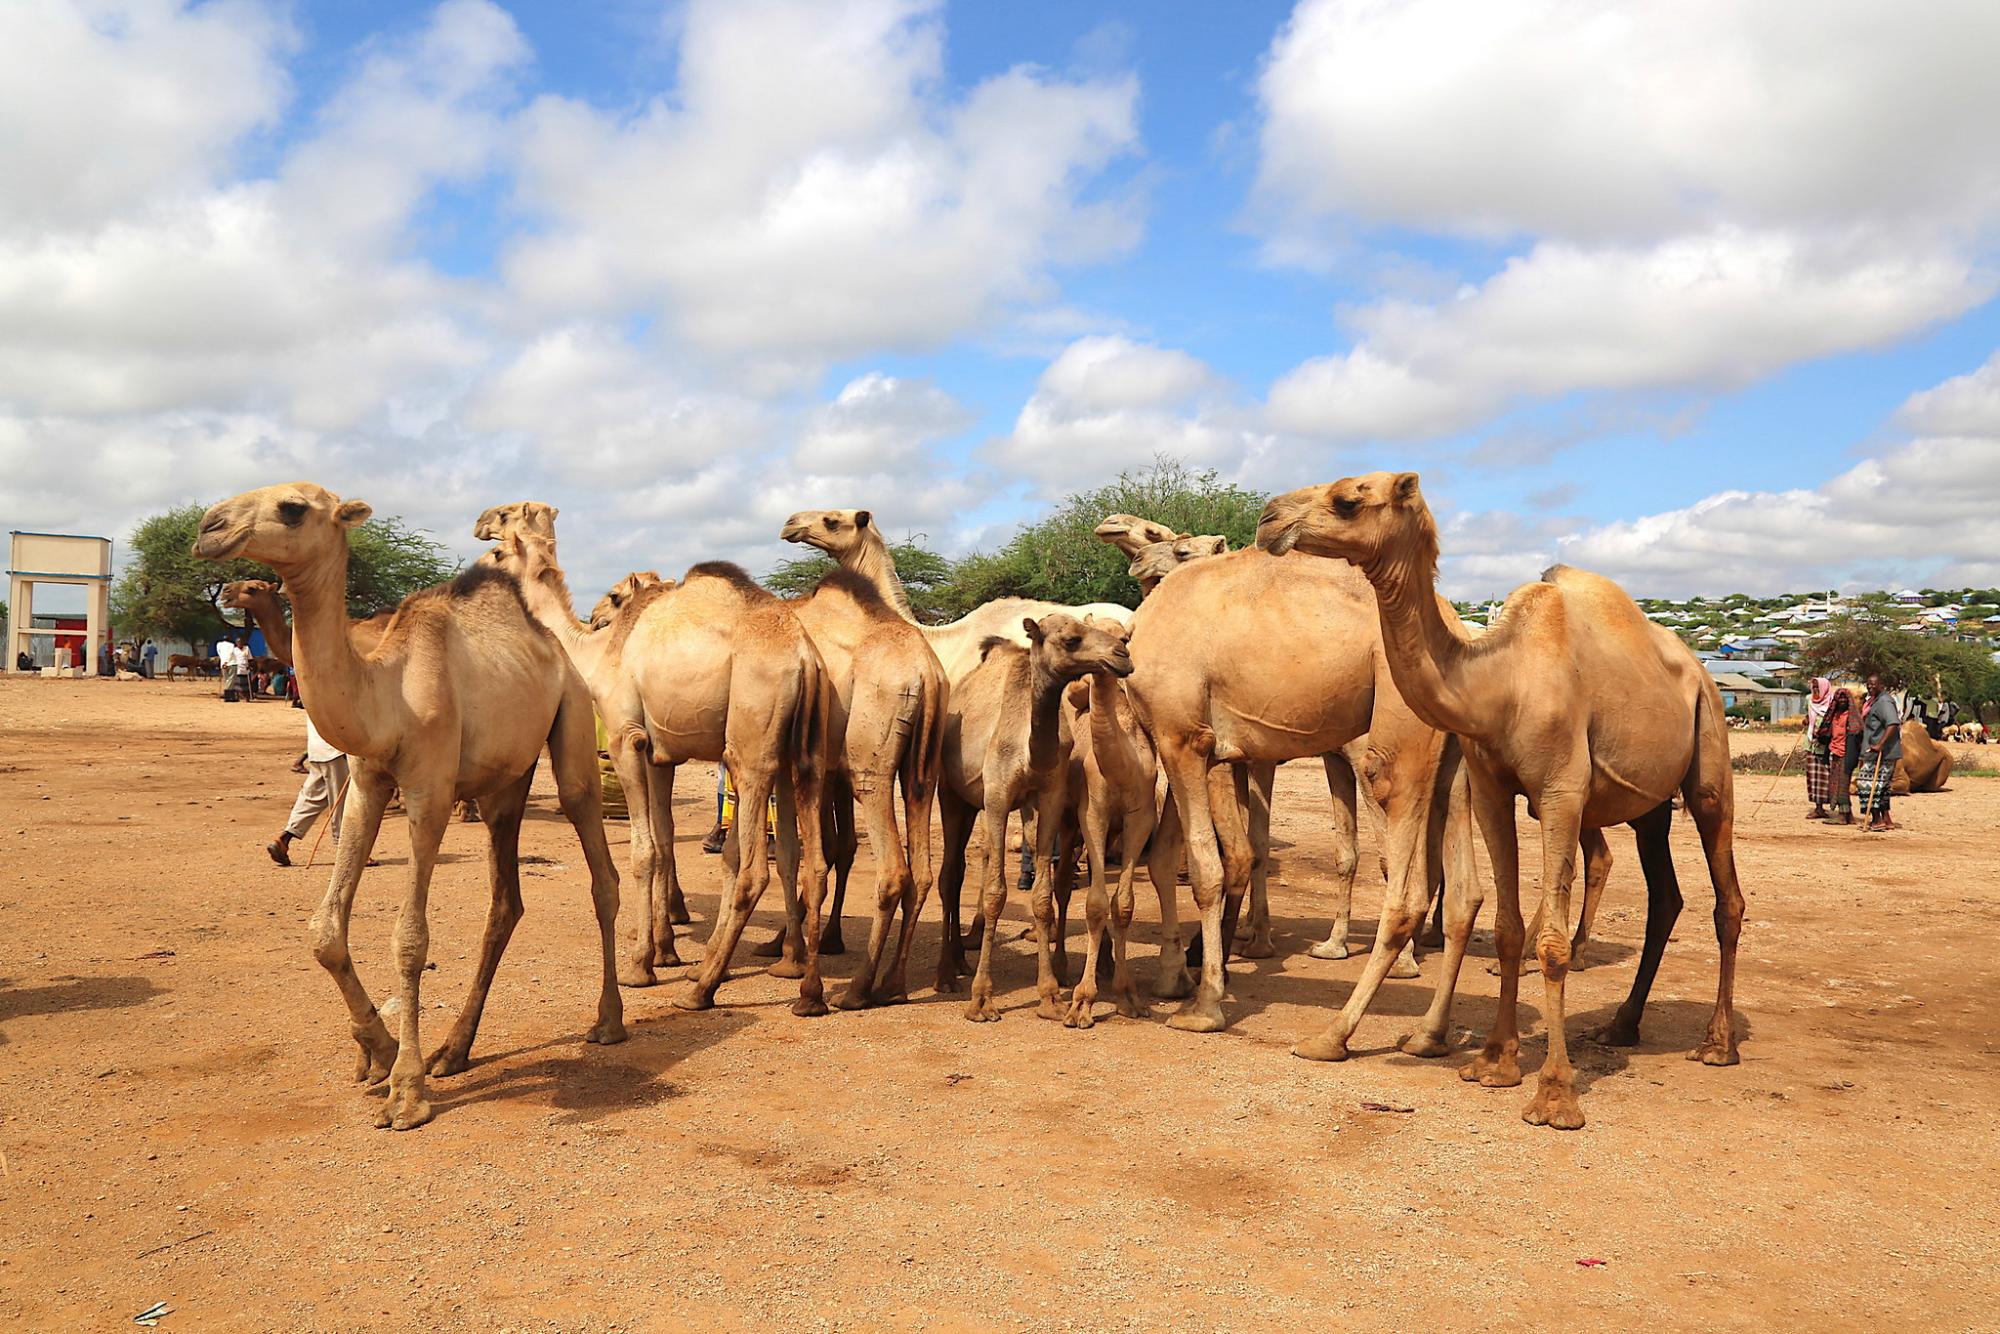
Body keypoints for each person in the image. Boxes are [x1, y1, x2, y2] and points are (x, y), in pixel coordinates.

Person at [268, 711, 350, 866]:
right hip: (335, 751)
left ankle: (284, 839)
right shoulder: (336, 689)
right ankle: (349, 851)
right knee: (343, 801)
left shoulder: (315, 688)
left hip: (317, 748)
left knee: (311, 799)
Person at [1857, 673, 1903, 832]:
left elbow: (1893, 723)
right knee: (1882, 787)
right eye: (1868, 684)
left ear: (1882, 684)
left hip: (1882, 752)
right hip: (1876, 751)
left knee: (1867, 785)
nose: (1870, 687)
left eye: (1873, 684)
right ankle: (1886, 820)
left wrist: (1880, 744)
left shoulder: (1884, 701)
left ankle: (1877, 820)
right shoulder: (1874, 701)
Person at [1822, 687, 1856, 825]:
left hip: (1846, 755)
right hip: (1834, 753)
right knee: (1837, 785)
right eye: (1839, 698)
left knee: (1842, 785)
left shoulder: (1851, 717)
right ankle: (1849, 815)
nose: (1842, 700)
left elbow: (1856, 735)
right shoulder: (1833, 716)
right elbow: (1826, 734)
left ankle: (1843, 816)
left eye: (1844, 698)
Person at [1803, 676, 1833, 820]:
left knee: (1825, 776)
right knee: (1812, 776)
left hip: (1825, 746)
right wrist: (1807, 720)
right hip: (1811, 744)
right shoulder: (1809, 700)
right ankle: (1818, 808)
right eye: (1813, 687)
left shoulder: (1832, 702)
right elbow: (1808, 715)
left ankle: (1827, 805)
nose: (1815, 690)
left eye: (1818, 688)